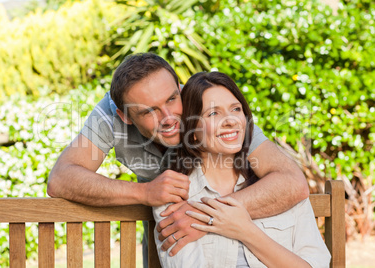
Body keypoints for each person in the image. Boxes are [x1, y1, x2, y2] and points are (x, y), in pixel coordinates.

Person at [47, 53, 309, 266]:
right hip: (169, 233)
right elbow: (61, 179)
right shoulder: (110, 114)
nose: (169, 117)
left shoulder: (207, 104)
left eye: (172, 99)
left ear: (181, 88)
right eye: (149, 111)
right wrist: (145, 191)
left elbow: (292, 182)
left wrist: (203, 216)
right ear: (125, 115)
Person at [153, 71, 330, 267]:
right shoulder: (176, 197)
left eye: (236, 109)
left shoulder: (281, 186)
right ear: (192, 132)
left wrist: (245, 230)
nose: (230, 120)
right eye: (213, 113)